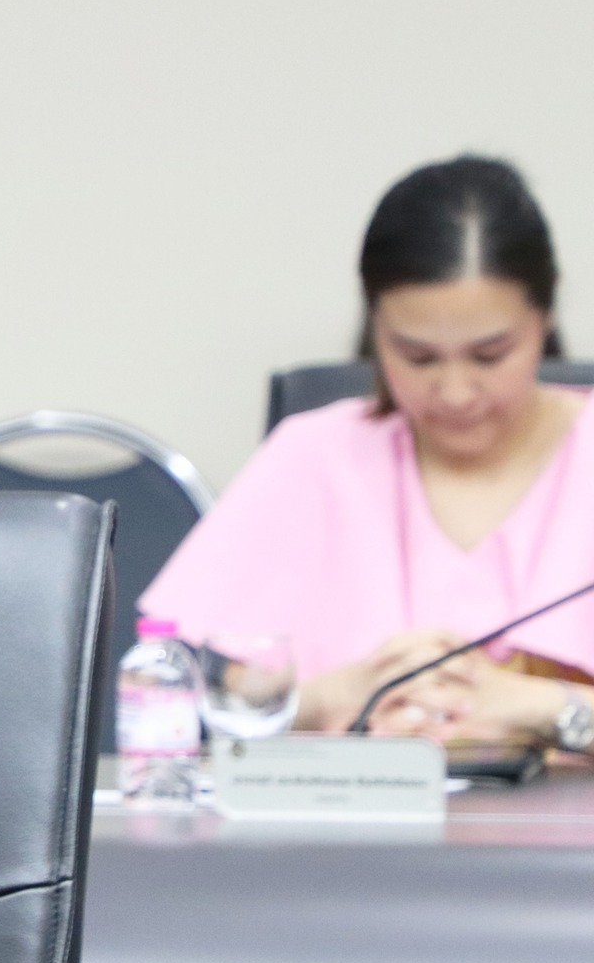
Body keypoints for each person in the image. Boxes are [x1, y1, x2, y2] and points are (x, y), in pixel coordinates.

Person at [142, 156, 594, 746]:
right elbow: (168, 703)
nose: (456, 393)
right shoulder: (313, 455)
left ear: (545, 314)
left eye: (490, 355)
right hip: (344, 806)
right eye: (417, 356)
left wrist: (545, 707)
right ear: (374, 325)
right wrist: (326, 698)